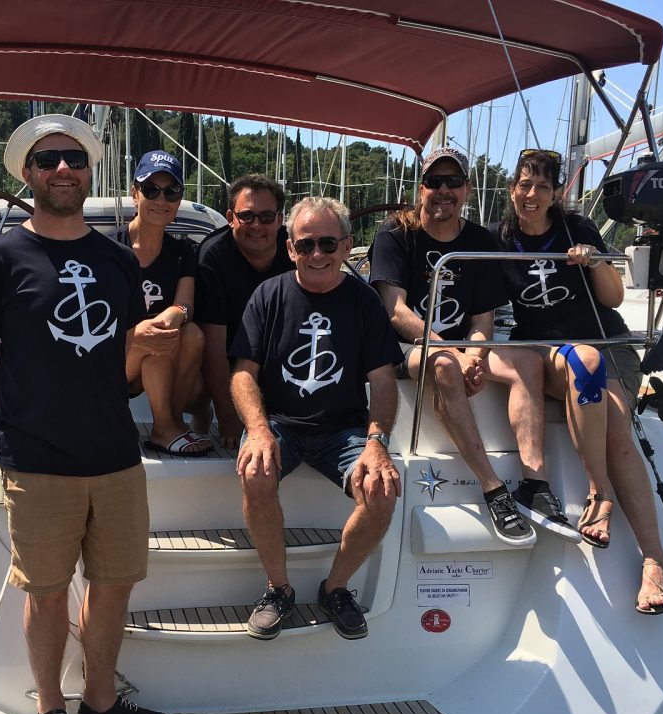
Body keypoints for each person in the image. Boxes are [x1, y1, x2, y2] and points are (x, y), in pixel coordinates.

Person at [0, 115, 170, 714]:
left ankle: (100, 700)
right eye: (47, 160)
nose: (62, 170)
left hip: (116, 456)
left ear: (89, 171)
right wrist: (19, 420)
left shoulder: (117, 260)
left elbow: (121, 358)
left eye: (73, 158)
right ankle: (51, 708)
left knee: (113, 586)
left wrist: (139, 355)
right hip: (38, 460)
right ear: (28, 173)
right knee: (46, 591)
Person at [490, 148, 663, 614]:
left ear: (556, 194)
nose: (532, 195)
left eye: (543, 187)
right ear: (512, 189)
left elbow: (612, 299)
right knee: (584, 363)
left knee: (615, 426)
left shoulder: (577, 230)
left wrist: (594, 263)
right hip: (548, 351)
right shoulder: (499, 240)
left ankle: (651, 555)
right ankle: (606, 499)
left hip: (608, 346)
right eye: (525, 185)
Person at [369, 146, 569, 545]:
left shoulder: (478, 240)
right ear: (421, 188)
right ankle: (494, 489)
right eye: (434, 181)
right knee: (444, 364)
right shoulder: (396, 233)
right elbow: (396, 312)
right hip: (402, 349)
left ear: (467, 189)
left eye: (453, 182)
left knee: (528, 363)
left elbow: (481, 321)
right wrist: (456, 356)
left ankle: (534, 483)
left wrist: (474, 358)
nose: (443, 190)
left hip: (460, 349)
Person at [231, 197, 403, 641]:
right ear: (290, 249)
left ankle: (335, 588)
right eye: (305, 245)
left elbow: (383, 381)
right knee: (255, 471)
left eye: (328, 243)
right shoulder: (268, 296)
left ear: (346, 246)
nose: (317, 254)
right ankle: (279, 589)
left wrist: (377, 442)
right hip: (282, 424)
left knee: (382, 490)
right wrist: (258, 429)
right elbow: (243, 373)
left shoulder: (364, 302)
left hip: (344, 430)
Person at [115, 150, 212, 456]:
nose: (161, 199)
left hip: (159, 357)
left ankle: (169, 424)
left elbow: (185, 304)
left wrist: (175, 314)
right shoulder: (108, 250)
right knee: (152, 338)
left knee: (190, 334)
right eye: (151, 189)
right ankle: (166, 427)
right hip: (115, 359)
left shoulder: (183, 252)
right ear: (135, 194)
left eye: (171, 192)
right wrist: (137, 333)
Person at [196, 174, 295, 449]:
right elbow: (213, 346)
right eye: (246, 216)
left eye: (266, 217)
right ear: (230, 217)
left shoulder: (297, 251)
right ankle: (201, 411)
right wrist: (228, 417)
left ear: (279, 219)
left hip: (279, 359)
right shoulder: (213, 256)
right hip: (229, 360)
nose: (256, 225)